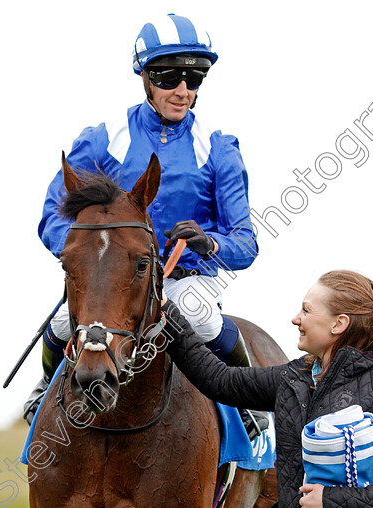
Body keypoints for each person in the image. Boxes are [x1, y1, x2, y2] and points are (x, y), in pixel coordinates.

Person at [23, 14, 262, 433]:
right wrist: (88, 256)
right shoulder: (103, 138)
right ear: (146, 78)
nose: (183, 90)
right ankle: (45, 388)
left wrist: (209, 243)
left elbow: (246, 242)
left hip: (184, 277)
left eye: (195, 78)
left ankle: (248, 402)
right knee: (64, 321)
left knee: (202, 318)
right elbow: (53, 215)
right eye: (169, 77)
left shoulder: (219, 148)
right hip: (115, 277)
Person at [161, 270, 373, 508]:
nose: (295, 319)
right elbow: (220, 380)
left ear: (338, 324)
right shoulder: (294, 377)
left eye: (306, 310)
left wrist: (330, 501)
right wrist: (167, 313)